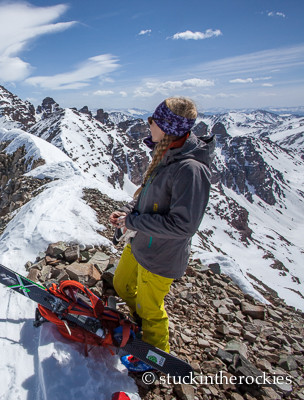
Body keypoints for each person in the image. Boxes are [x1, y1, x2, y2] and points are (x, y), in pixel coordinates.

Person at [109, 97, 215, 372]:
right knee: (121, 285)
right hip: (141, 242)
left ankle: (155, 357)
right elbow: (145, 198)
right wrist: (127, 214)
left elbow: (184, 226)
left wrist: (135, 221)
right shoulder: (166, 155)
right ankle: (140, 324)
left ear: (167, 127)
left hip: (162, 257)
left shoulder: (190, 170)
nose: (148, 125)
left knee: (150, 308)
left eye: (153, 120)